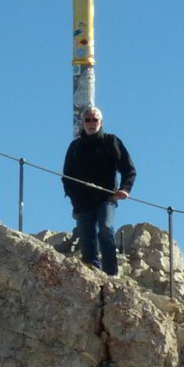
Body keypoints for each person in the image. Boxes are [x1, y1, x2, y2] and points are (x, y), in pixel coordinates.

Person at [62, 105, 136, 276]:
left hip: (106, 198)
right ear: (82, 123)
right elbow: (67, 175)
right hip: (82, 202)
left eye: (95, 119)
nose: (91, 123)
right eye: (87, 120)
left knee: (105, 227)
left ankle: (111, 274)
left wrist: (125, 188)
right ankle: (92, 274)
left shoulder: (111, 142)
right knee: (86, 236)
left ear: (101, 122)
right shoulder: (75, 147)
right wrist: (74, 197)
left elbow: (128, 168)